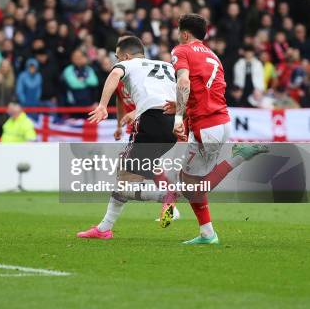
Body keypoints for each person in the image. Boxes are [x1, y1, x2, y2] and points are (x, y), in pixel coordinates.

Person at [167, 13, 267, 244]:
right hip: (221, 121)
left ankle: (237, 159)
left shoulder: (181, 50)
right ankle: (207, 233)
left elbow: (183, 82)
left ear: (184, 33)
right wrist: (182, 105)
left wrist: (178, 117)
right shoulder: (213, 56)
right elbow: (208, 89)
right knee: (189, 180)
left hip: (206, 126)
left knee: (192, 185)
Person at [77, 35, 177, 240]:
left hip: (151, 119)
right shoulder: (166, 65)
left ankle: (166, 196)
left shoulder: (128, 65)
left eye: (117, 57)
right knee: (128, 174)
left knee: (125, 174)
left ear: (126, 56)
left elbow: (114, 75)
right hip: (173, 123)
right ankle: (104, 228)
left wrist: (102, 105)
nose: (116, 61)